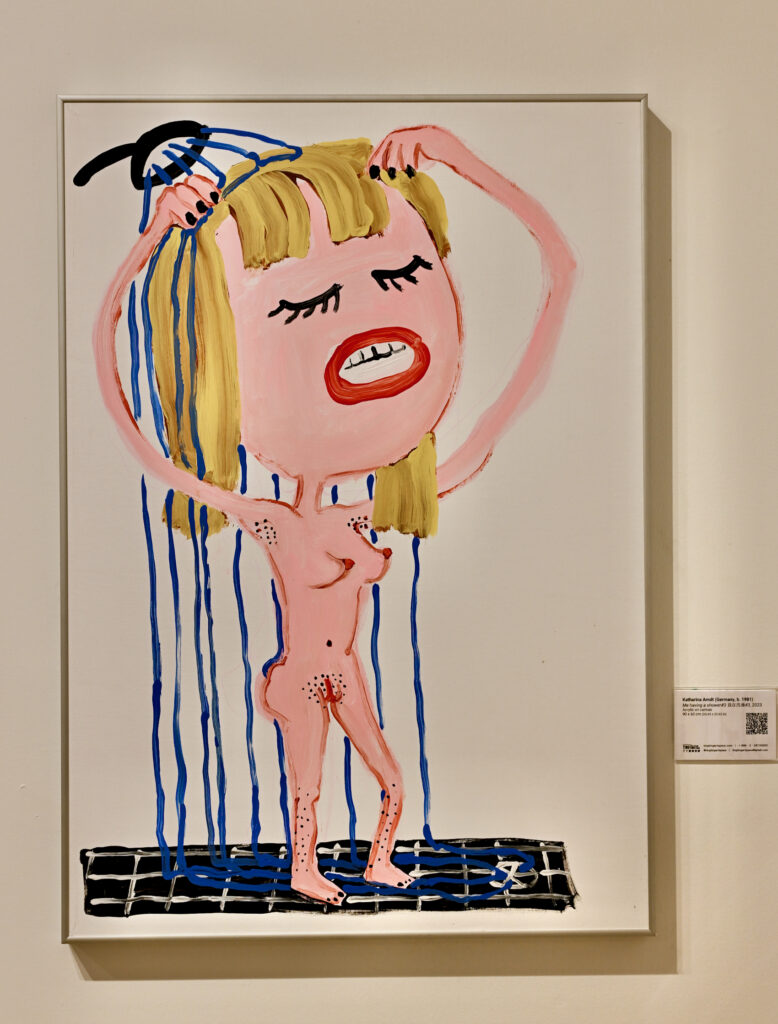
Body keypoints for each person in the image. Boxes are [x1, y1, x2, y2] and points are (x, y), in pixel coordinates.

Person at [94, 125, 576, 905]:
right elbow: (134, 423)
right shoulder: (273, 522)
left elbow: (562, 268)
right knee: (308, 788)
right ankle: (304, 869)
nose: (358, 318)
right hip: (298, 679)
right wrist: (151, 240)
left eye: (405, 273)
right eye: (303, 305)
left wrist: (453, 156)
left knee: (390, 778)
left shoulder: (366, 511)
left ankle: (379, 861)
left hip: (344, 671)